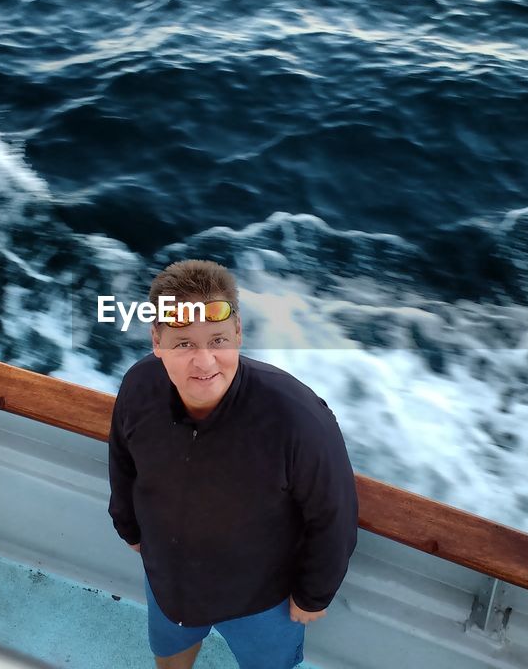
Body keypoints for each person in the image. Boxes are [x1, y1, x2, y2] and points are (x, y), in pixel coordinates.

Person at [108, 259, 359, 669]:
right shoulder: (139, 386)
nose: (204, 362)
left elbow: (334, 515)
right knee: (169, 660)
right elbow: (122, 461)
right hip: (168, 582)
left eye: (218, 340)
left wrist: (314, 595)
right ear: (157, 340)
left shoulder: (298, 419)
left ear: (238, 333)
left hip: (261, 602)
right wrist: (128, 527)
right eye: (184, 343)